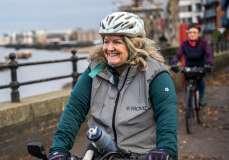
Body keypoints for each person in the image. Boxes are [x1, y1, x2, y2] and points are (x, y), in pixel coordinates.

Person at [48, 12, 178, 160]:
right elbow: (74, 110)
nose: (109, 48)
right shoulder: (94, 71)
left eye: (116, 42)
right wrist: (59, 149)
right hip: (101, 151)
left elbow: (166, 114)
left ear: (133, 44)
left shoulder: (155, 73)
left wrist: (165, 149)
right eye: (106, 41)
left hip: (141, 154)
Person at [170, 23, 214, 106]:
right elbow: (178, 55)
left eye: (194, 32)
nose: (192, 34)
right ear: (187, 33)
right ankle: (188, 102)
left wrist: (209, 63)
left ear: (199, 33)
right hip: (188, 66)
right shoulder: (184, 44)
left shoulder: (203, 43)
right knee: (187, 83)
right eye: (190, 32)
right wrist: (173, 63)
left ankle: (201, 95)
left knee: (199, 82)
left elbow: (209, 54)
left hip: (201, 66)